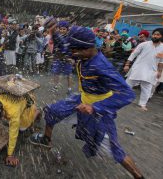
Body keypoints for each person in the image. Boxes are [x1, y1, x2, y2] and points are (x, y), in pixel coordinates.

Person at [29, 26, 145, 179]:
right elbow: (65, 46)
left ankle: (139, 176)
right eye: (73, 50)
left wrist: (95, 107)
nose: (73, 54)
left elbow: (127, 94)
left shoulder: (102, 66)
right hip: (82, 99)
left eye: (77, 51)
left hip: (99, 110)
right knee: (52, 110)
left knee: (115, 150)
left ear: (90, 47)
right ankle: (46, 139)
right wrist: (54, 33)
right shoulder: (82, 54)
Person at [0, 91, 40, 167]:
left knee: (22, 128)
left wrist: (10, 155)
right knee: (8, 120)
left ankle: (37, 111)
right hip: (18, 98)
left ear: (3, 110)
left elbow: (13, 134)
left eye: (0, 116)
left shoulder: (14, 113)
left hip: (27, 101)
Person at [124, 28, 163, 111]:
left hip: (151, 71)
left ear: (162, 36)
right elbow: (133, 54)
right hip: (138, 68)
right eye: (154, 34)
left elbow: (161, 61)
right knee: (128, 84)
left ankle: (142, 104)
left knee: (147, 88)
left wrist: (160, 71)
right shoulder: (144, 44)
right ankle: (121, 98)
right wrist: (127, 64)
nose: (155, 36)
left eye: (157, 34)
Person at [50, 21, 73, 95]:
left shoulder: (70, 38)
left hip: (67, 59)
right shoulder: (56, 36)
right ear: (58, 29)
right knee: (56, 73)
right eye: (61, 29)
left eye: (64, 29)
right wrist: (54, 54)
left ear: (67, 30)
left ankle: (69, 89)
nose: (62, 31)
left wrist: (70, 57)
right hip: (58, 58)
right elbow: (54, 46)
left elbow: (70, 48)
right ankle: (55, 86)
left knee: (68, 74)